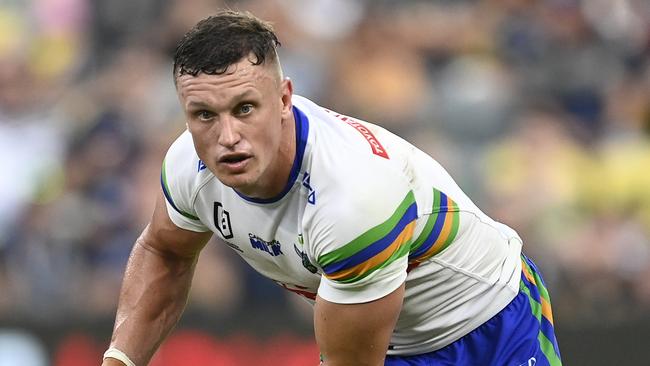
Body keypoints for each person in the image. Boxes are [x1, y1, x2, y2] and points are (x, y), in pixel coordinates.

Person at [101, 10, 562, 366]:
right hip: (391, 338)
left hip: (489, 325)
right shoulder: (187, 165)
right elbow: (166, 253)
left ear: (284, 99)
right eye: (204, 115)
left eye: (245, 108)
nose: (226, 137)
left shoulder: (352, 198)